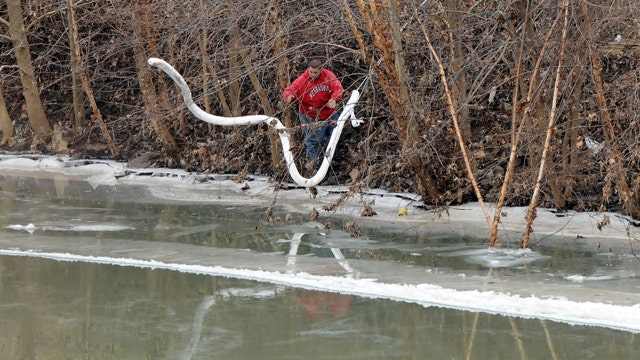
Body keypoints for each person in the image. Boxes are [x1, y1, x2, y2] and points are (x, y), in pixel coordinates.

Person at [283, 59, 344, 171]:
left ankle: (328, 162)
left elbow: (338, 88)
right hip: (310, 116)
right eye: (311, 72)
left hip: (329, 113)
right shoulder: (302, 80)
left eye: (315, 72)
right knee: (314, 142)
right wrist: (289, 97)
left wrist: (334, 98)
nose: (313, 75)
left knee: (336, 135)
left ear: (320, 70)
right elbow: (289, 90)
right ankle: (312, 168)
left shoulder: (328, 76)